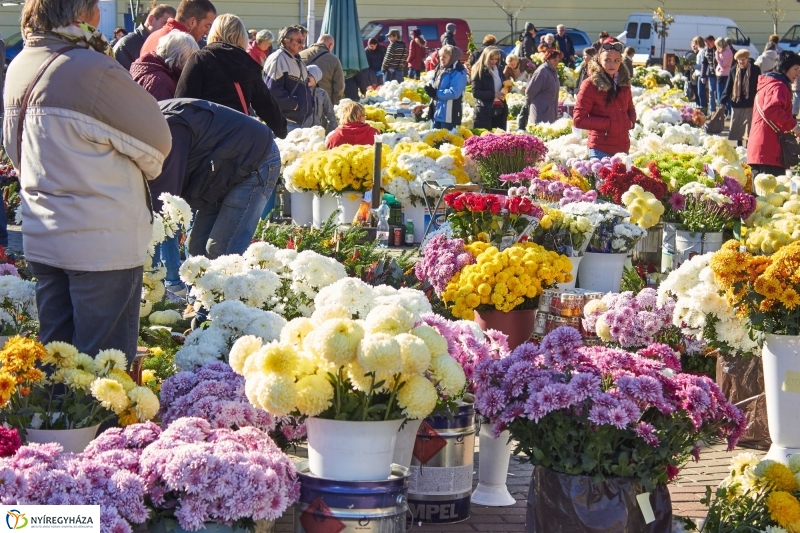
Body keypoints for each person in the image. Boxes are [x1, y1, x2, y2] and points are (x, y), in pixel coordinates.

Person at [4, 0, 172, 363]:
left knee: (57, 361)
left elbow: (16, 150)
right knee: (102, 369)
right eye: (95, 6)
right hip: (101, 239)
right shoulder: (91, 68)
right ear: (80, 15)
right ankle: (94, 423)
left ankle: (53, 421)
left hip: (43, 231)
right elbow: (158, 141)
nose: (99, 14)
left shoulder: (20, 64)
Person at [151, 99, 281, 260]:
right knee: (196, 248)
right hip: (224, 163)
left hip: (257, 157)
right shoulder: (148, 120)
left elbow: (165, 196)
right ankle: (202, 285)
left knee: (222, 250)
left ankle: (226, 284)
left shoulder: (170, 128)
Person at [175, 14, 287, 138]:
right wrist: (282, 131)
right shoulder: (248, 65)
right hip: (238, 140)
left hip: (205, 140)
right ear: (242, 37)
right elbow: (268, 107)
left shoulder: (200, 59)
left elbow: (182, 104)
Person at [573, 40, 636, 158]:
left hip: (623, 149)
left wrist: (630, 122)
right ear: (599, 60)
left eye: (616, 61)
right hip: (600, 150)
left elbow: (630, 108)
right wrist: (608, 124)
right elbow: (578, 119)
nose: (612, 64)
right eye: (607, 60)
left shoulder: (624, 83)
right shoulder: (590, 85)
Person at [747, 52, 800, 175]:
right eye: (796, 69)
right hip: (769, 149)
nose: (798, 74)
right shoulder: (778, 86)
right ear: (785, 68)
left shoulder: (769, 84)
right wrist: (794, 126)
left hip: (761, 147)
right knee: (769, 192)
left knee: (761, 192)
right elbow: (772, 109)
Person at [264, 25, 312, 131]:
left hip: (299, 121)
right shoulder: (278, 59)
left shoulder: (297, 59)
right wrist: (295, 105)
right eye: (299, 41)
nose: (303, 44)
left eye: (303, 40)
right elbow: (272, 91)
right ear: (286, 41)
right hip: (286, 121)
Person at [131, 31, 198, 101]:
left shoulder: (146, 66)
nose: (191, 66)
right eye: (190, 61)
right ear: (179, 59)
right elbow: (162, 111)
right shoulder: (162, 83)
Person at [139, 0, 216, 58]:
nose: (207, 32)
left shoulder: (155, 35)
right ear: (192, 22)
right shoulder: (180, 45)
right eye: (207, 25)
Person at [114, 4, 175, 70]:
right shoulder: (126, 46)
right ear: (151, 20)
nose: (170, 29)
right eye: (165, 23)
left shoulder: (167, 45)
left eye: (173, 26)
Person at [720, 49, 760, 147]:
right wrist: (723, 101)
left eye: (743, 59)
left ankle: (748, 146)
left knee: (749, 126)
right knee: (737, 125)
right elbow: (729, 86)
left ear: (747, 59)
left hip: (750, 102)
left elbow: (759, 84)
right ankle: (739, 146)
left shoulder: (755, 69)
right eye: (739, 60)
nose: (741, 62)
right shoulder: (734, 70)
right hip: (737, 102)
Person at [428, 45, 467, 129]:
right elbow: (433, 83)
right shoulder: (439, 68)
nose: (441, 59)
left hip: (448, 115)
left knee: (446, 140)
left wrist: (436, 92)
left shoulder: (458, 71)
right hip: (436, 112)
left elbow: (454, 93)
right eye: (440, 56)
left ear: (452, 57)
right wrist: (430, 89)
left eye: (445, 57)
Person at [300, 34, 345, 105]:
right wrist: (333, 104)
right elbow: (339, 86)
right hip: (323, 102)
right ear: (330, 45)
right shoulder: (333, 59)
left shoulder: (300, 55)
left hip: (301, 100)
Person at [472, 47, 507, 130]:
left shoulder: (499, 69)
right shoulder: (479, 70)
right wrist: (493, 94)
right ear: (486, 57)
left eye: (496, 59)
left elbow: (503, 82)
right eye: (491, 59)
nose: (494, 61)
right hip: (484, 110)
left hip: (500, 108)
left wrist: (507, 87)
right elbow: (475, 92)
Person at [526, 49, 561, 125]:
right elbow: (530, 91)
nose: (557, 62)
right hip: (541, 110)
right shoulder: (542, 71)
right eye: (554, 60)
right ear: (547, 59)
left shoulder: (553, 71)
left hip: (550, 110)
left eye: (558, 60)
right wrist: (528, 103)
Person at [303, 64, 338, 133]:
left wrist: (333, 131)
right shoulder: (300, 92)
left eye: (310, 75)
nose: (307, 78)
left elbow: (330, 113)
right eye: (305, 75)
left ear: (316, 78)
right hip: (302, 131)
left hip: (317, 131)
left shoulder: (322, 94)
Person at [715, 37, 733, 116]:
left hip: (725, 75)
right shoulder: (723, 51)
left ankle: (728, 112)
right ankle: (723, 112)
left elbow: (723, 65)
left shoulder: (728, 52)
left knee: (725, 95)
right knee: (719, 95)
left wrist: (718, 56)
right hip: (720, 75)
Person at [702, 35, 718, 114]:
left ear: (713, 42)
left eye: (708, 43)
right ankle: (712, 111)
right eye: (706, 44)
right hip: (711, 74)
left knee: (719, 93)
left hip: (720, 74)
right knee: (711, 92)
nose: (707, 46)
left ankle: (723, 110)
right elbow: (704, 64)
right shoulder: (706, 50)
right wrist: (703, 75)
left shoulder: (718, 49)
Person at [691, 36, 707, 111]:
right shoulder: (700, 51)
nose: (694, 46)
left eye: (695, 44)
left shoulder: (702, 51)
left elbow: (702, 65)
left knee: (701, 93)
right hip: (699, 74)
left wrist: (692, 66)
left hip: (702, 74)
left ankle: (703, 108)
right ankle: (702, 107)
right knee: (699, 92)